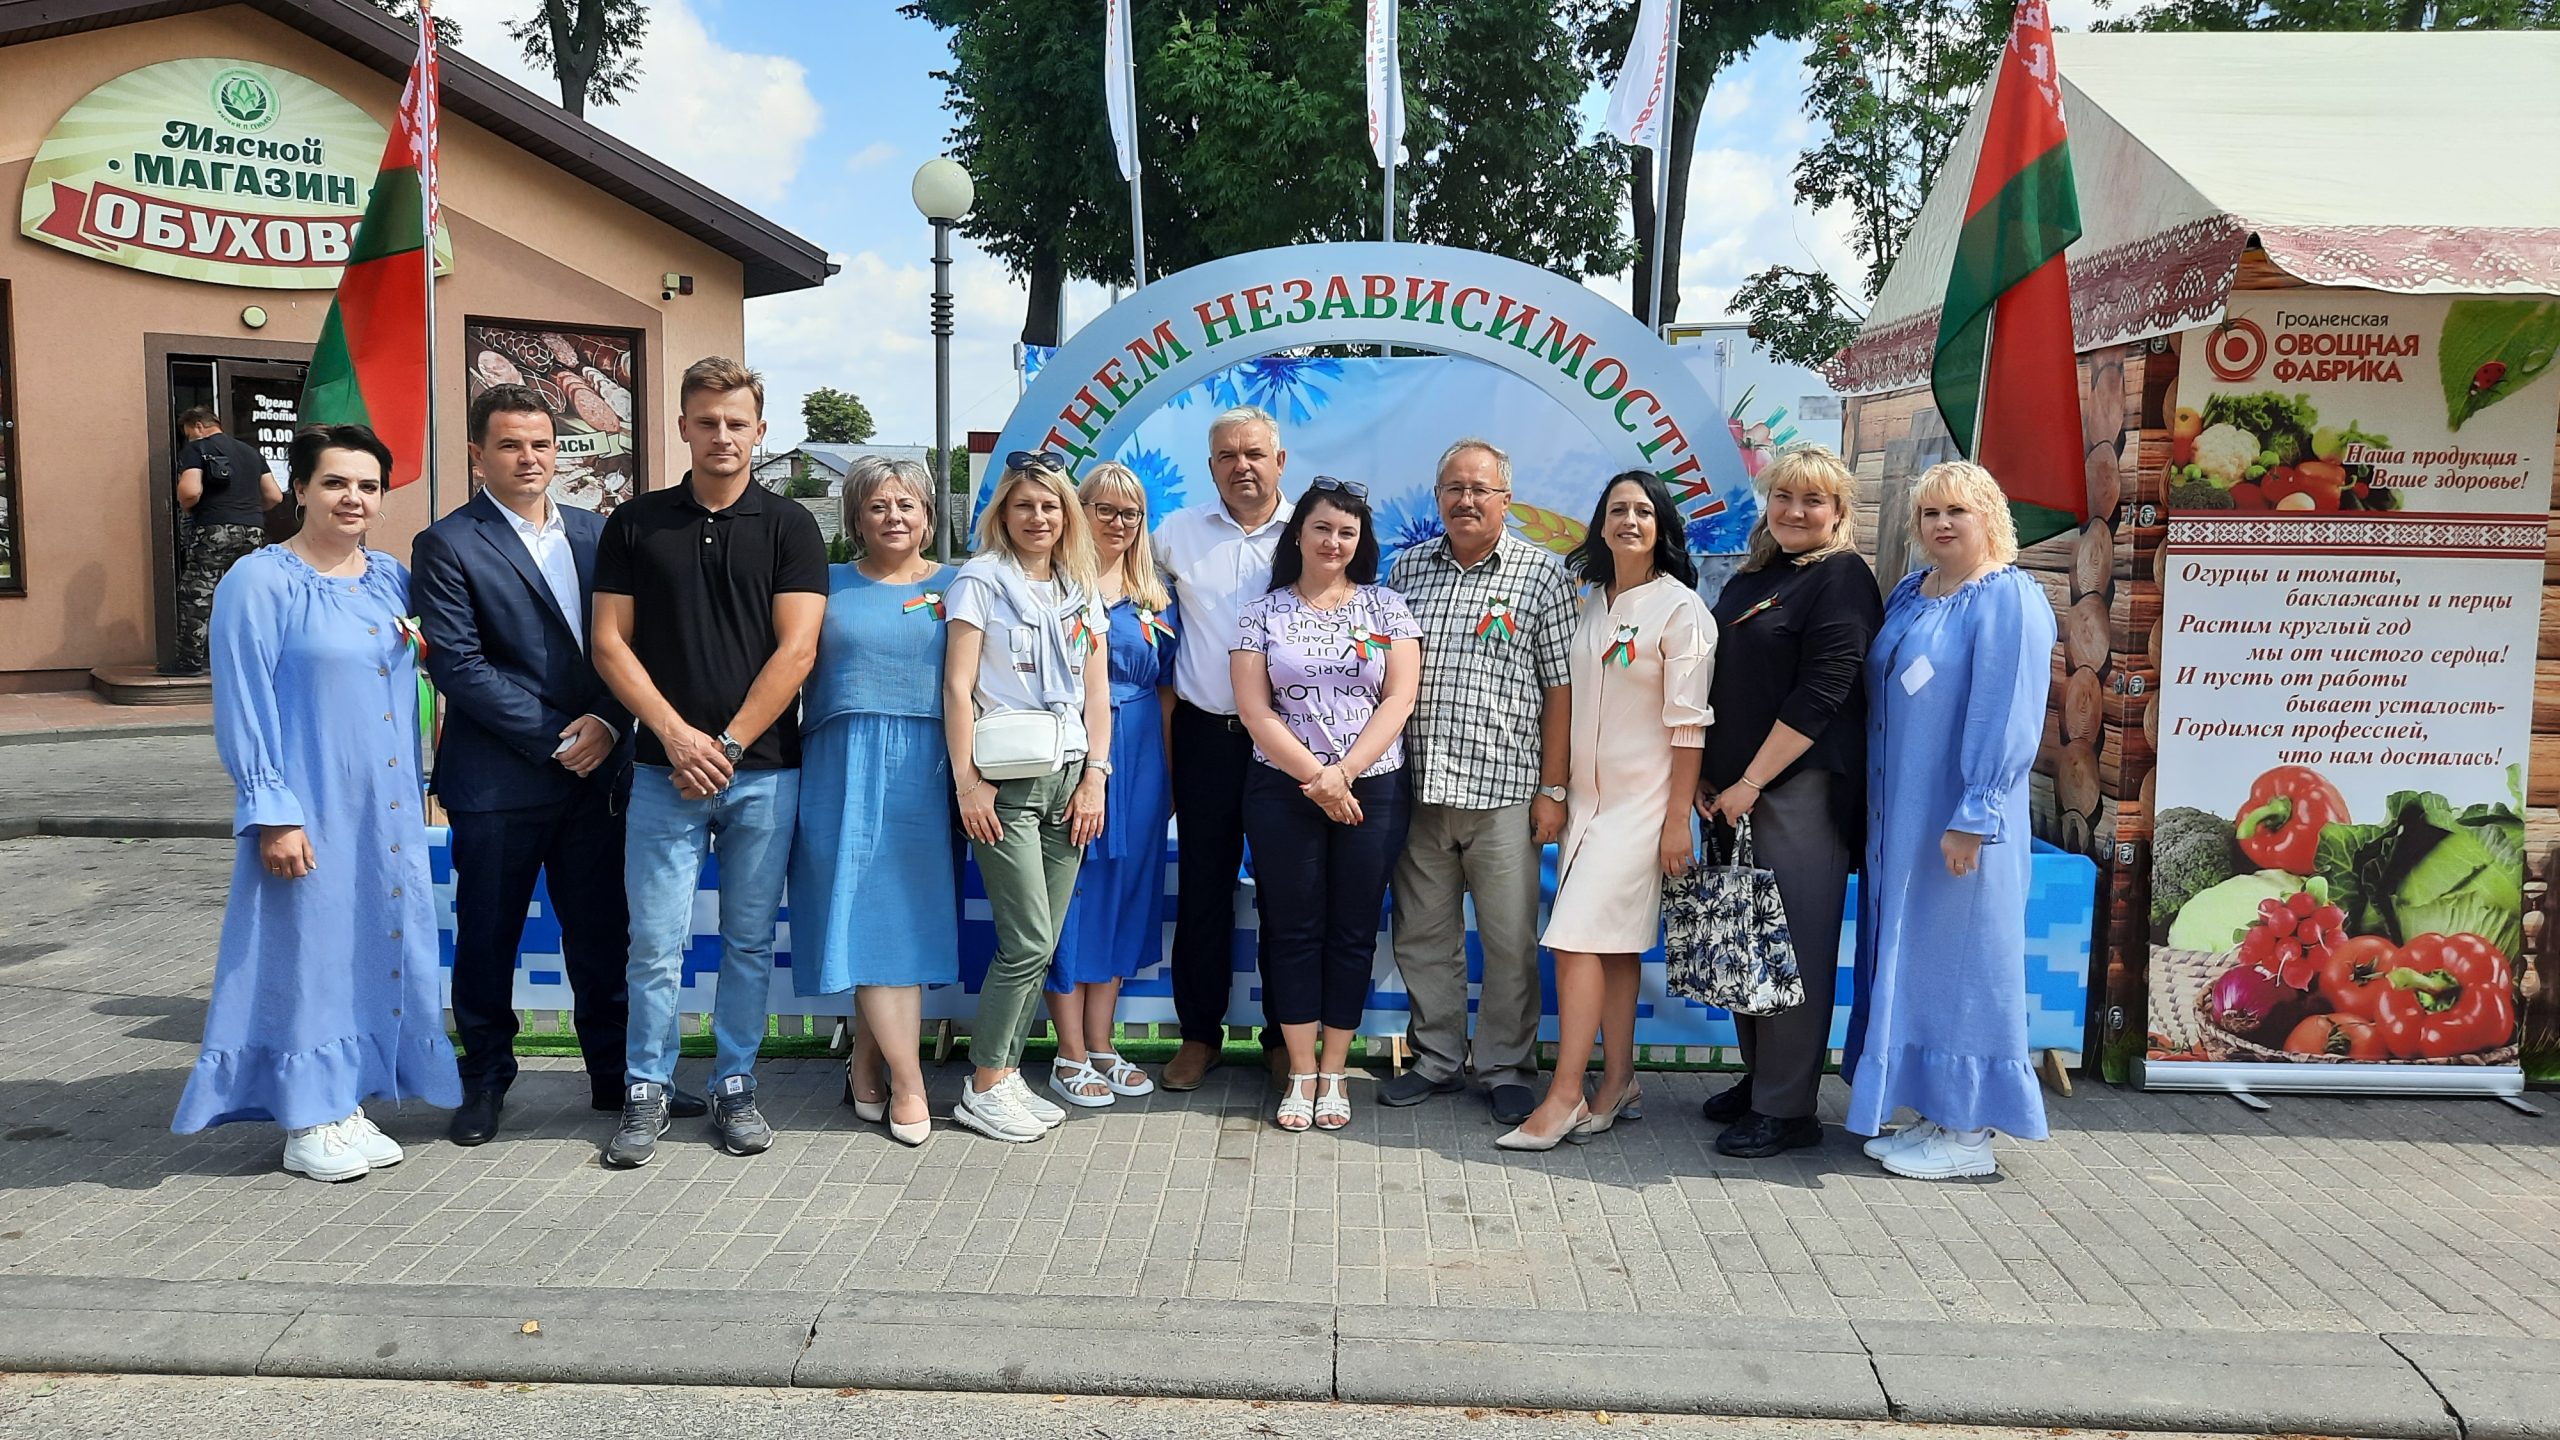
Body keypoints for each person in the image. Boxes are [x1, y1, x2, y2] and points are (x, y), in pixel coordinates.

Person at [172, 423, 460, 1178]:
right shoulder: (259, 582)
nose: (353, 498)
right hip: (309, 802)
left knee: (374, 939)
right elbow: (242, 701)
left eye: (368, 485)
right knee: (306, 949)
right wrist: (273, 809)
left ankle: (347, 1096)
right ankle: (305, 1114)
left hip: (386, 804)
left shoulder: (391, 579)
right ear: (299, 488)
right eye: (335, 482)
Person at [411, 384, 682, 1147]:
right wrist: (566, 735)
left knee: (604, 936)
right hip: (500, 782)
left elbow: (635, 643)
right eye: (509, 445)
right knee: (488, 939)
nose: (528, 458)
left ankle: (616, 1080)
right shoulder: (448, 543)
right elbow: (459, 666)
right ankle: (487, 1080)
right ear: (476, 455)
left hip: (598, 780)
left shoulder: (602, 533)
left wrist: (607, 719)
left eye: (540, 444)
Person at [589, 357, 826, 1168]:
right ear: (683, 425)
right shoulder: (635, 522)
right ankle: (646, 1090)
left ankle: (734, 1085)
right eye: (706, 420)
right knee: (653, 943)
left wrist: (722, 745)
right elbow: (609, 643)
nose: (721, 435)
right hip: (661, 772)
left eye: (737, 422)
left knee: (749, 942)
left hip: (763, 772)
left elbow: (798, 651)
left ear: (760, 431)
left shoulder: (791, 526)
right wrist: (678, 737)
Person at [1848, 460, 2055, 1180]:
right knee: (1921, 966)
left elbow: (2007, 713)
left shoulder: (2009, 599)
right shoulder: (1914, 591)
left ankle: (1970, 1135)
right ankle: (1936, 1112)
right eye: (1930, 513)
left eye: (1956, 512)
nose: (1940, 524)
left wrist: (1976, 811)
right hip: (1902, 819)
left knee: (1967, 965)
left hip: (1963, 820)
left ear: (1988, 517)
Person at [1498, 470, 1714, 1152]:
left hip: (1644, 808)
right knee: (1614, 951)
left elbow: (1688, 727)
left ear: (1663, 528)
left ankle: (1564, 1096)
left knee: (1574, 939)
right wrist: (1558, 792)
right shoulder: (1590, 601)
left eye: (1643, 510)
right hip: (1586, 808)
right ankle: (1618, 1082)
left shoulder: (1682, 612)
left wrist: (1678, 819)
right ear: (1601, 523)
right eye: (1617, 508)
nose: (1629, 519)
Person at [1693, 445, 1883, 1159]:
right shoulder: (1757, 575)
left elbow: (1824, 691)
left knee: (1791, 947)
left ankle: (1789, 1107)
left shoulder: (1841, 579)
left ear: (1838, 512)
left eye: (1813, 501)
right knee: (1746, 939)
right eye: (1784, 498)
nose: (1796, 512)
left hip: (1795, 791)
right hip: (1734, 795)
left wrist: (1748, 782)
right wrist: (1715, 779)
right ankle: (1761, 1078)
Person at [1382, 438, 1575, 1127]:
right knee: (1423, 939)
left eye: (1479, 489)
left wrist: (1554, 791)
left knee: (1508, 943)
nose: (1466, 500)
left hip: (1505, 794)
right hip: (1420, 789)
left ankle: (1504, 1068)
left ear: (1505, 499)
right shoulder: (1405, 572)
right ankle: (1434, 1061)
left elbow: (1561, 689)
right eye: (1453, 489)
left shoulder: (1542, 574)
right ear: (1438, 499)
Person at [1232, 476, 1420, 1133]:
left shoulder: (1387, 608)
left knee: (1350, 928)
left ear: (1360, 541)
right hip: (1284, 788)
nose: (1334, 540)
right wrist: (1320, 777)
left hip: (1374, 786)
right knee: (1290, 929)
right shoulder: (1262, 613)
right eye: (1322, 528)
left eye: (1347, 531)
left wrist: (1347, 773)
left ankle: (1335, 1072)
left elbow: (1398, 699)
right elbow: (1255, 711)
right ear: (1299, 535)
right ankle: (1300, 1070)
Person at [788, 456, 958, 1148]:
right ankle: (911, 1083)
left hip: (928, 768)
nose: (894, 517)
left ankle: (872, 1061)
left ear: (928, 514)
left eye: (907, 504)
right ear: (855, 517)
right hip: (839, 765)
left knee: (902, 925)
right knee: (862, 919)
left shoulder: (959, 585)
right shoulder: (821, 586)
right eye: (879, 505)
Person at [943, 453, 1112, 1143]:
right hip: (1004, 782)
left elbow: (1096, 693)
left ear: (1065, 514)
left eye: (1050, 506)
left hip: (1070, 776)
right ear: (1003, 515)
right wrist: (967, 784)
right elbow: (957, 688)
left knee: (1041, 946)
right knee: (1028, 941)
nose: (1038, 517)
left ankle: (1006, 1075)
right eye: (1024, 507)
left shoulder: (1079, 585)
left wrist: (1097, 775)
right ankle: (983, 1083)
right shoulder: (979, 580)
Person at [1152, 406, 1294, 1091]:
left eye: (1254, 454)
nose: (1242, 465)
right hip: (1207, 736)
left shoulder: (1314, 533)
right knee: (1204, 891)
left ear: (1280, 462)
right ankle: (1198, 1036)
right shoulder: (1175, 534)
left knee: (1285, 894)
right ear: (1210, 467)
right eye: (1228, 456)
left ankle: (1282, 1038)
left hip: (1292, 745)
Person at [1043, 462, 1175, 1109]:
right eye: (1105, 509)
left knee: (1125, 895)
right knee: (1070, 898)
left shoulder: (1156, 593)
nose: (1119, 523)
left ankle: (1102, 1043)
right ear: (1079, 510)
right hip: (1072, 756)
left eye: (1130, 513)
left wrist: (1168, 781)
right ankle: (1067, 1052)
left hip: (1144, 758)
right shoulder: (1054, 587)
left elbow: (1172, 695)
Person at [163, 406, 282, 676]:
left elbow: (191, 491)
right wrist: (247, 511)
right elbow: (274, 496)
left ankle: (190, 662)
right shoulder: (251, 453)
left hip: (212, 529)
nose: (189, 438)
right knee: (244, 594)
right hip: (253, 530)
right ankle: (251, 660)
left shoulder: (197, 448)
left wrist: (188, 505)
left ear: (198, 426)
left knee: (199, 592)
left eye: (188, 433)